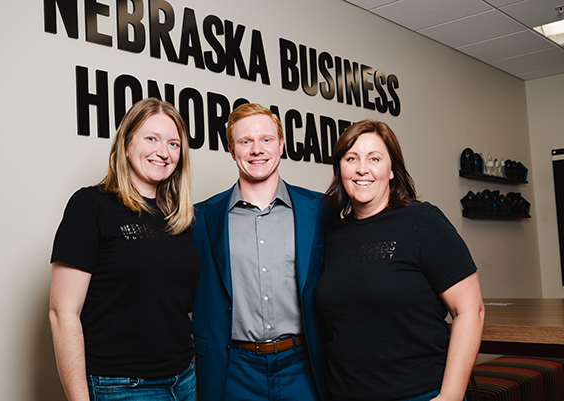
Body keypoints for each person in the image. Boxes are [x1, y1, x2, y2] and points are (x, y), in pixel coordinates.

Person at [315, 120, 485, 401]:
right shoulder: (331, 234)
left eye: (374, 159)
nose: (362, 169)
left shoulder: (422, 221)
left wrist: (451, 396)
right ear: (340, 169)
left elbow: (470, 311)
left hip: (420, 393)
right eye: (351, 158)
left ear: (392, 169)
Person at [49, 98, 201, 401]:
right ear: (126, 144)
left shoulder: (180, 218)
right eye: (151, 138)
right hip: (120, 386)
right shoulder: (90, 205)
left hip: (183, 380)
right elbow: (62, 313)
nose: (163, 152)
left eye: (174, 143)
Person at [191, 103, 329, 401]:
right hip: (234, 370)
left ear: (281, 145)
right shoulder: (202, 218)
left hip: (303, 365)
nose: (257, 149)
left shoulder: (318, 209)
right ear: (231, 150)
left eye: (266, 140)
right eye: (245, 142)